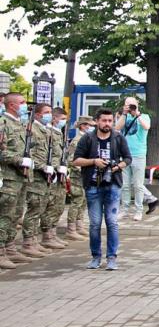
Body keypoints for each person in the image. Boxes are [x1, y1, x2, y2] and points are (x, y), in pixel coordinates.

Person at [72, 108, 131, 270]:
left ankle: (111, 257)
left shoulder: (118, 138)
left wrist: (118, 166)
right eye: (104, 120)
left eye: (110, 121)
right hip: (92, 186)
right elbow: (76, 160)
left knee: (112, 222)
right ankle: (95, 256)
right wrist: (94, 161)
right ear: (97, 121)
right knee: (95, 223)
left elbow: (128, 158)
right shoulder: (87, 138)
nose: (107, 124)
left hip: (112, 185)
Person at [0, 92, 33, 269]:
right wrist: (19, 160)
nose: (25, 105)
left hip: (20, 177)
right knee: (5, 215)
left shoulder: (20, 124)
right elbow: (1, 152)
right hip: (8, 177)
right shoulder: (3, 123)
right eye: (22, 102)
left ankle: (10, 248)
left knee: (16, 214)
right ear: (12, 105)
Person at [24, 103, 59, 256]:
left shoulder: (46, 130)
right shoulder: (32, 129)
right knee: (34, 209)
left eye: (50, 112)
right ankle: (27, 243)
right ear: (38, 115)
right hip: (36, 176)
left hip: (45, 177)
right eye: (47, 112)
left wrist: (52, 167)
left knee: (40, 209)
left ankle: (34, 241)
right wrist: (43, 166)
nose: (50, 115)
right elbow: (29, 153)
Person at [118, 96, 158, 220]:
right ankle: (124, 210)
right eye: (127, 104)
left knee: (138, 185)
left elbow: (147, 127)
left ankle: (138, 210)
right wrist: (124, 114)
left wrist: (137, 115)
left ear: (137, 104)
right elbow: (117, 128)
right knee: (125, 185)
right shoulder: (124, 117)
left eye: (132, 105)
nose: (130, 107)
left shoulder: (144, 116)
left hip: (139, 154)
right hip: (124, 154)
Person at [38, 106, 69, 249]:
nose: (64, 121)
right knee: (49, 206)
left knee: (58, 206)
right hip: (51, 175)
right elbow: (47, 155)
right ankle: (46, 236)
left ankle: (52, 233)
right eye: (62, 119)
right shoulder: (48, 132)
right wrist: (54, 168)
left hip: (59, 174)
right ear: (55, 118)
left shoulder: (58, 133)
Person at [63, 115, 95, 242]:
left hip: (86, 175)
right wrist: (82, 169)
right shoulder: (77, 141)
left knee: (83, 200)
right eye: (89, 125)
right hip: (78, 176)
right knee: (77, 200)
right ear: (82, 126)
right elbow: (71, 160)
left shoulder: (88, 139)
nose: (91, 128)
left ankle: (79, 224)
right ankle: (71, 229)